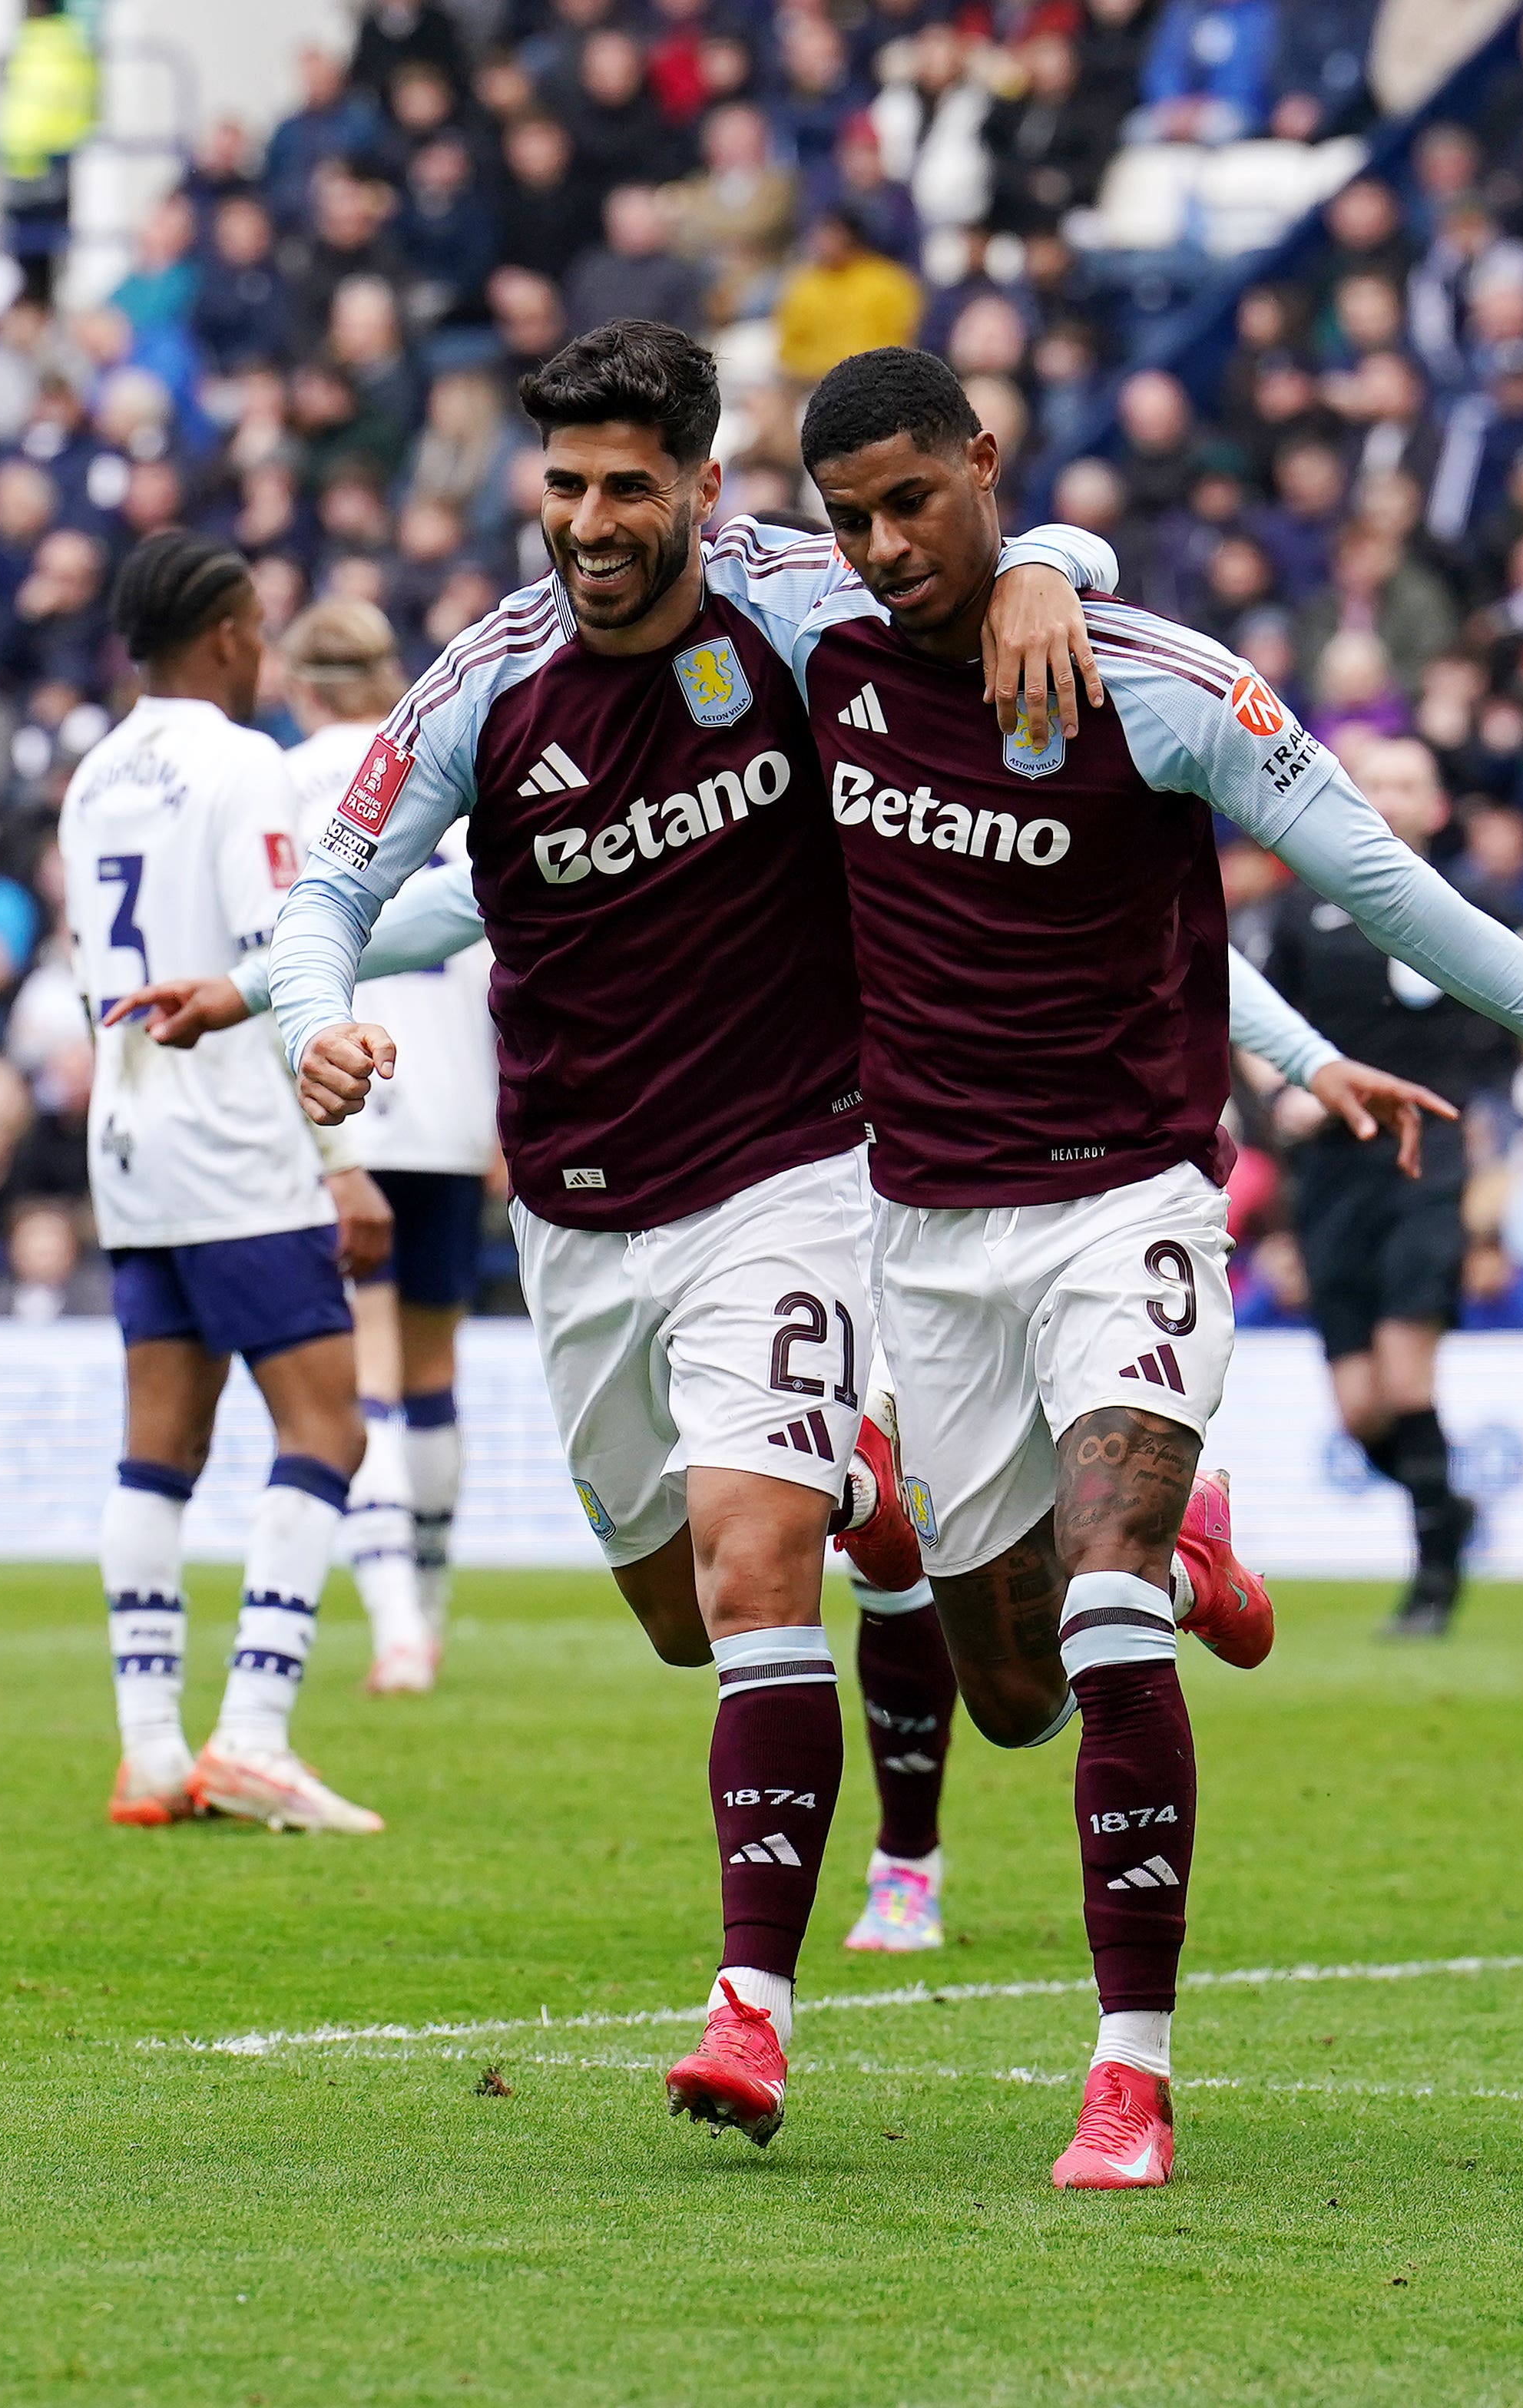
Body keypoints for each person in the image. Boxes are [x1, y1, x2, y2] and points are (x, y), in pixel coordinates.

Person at [793, 347, 1523, 2189]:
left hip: (1127, 1199)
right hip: (923, 1228)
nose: (890, 546)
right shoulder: (810, 652)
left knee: (1106, 1594)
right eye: (853, 519)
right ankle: (1195, 1536)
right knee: (1004, 1691)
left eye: (921, 501)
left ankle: (1126, 2072)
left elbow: (1390, 884)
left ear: (982, 463)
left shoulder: (1169, 693)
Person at [260, 322, 1117, 2148]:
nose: (589, 519)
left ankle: (751, 2006)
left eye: (628, 485)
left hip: (795, 1173)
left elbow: (961, 557)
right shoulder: (486, 681)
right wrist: (308, 1016)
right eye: (562, 484)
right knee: (671, 1613)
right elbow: (327, 887)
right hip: (576, 1213)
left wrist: (1047, 563)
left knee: (750, 1585)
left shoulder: (797, 608)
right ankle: (873, 1492)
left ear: (705, 490)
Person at [57, 528, 414, 1840]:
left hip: (127, 1141)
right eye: (255, 628)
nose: (262, 651)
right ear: (221, 634)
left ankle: (149, 1749)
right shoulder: (242, 764)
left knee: (161, 1445)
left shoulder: (92, 776)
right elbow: (276, 965)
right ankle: (252, 1733)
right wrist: (340, 1161)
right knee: (328, 1426)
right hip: (233, 1144)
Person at [1252, 733, 1522, 1639]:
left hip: (1424, 1163)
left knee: (1407, 1378)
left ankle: (1433, 1584)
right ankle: (1447, 1508)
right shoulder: (1302, 914)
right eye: (1379, 782)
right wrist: (1281, 1095)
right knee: (1359, 1406)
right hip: (1329, 1170)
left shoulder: (1467, 908)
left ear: (1437, 806)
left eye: (1410, 783)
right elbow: (1256, 1025)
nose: (1395, 796)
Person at [268, 597, 478, 1699]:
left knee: (370, 1367)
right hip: (455, 1100)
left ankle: (396, 1624)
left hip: (338, 1090)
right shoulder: (444, 770)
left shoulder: (290, 784)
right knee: (435, 1369)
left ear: (298, 684)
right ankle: (431, 1606)